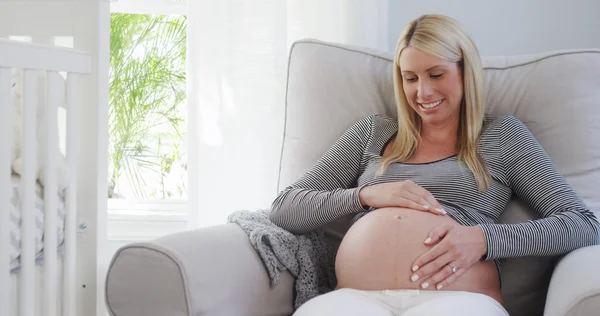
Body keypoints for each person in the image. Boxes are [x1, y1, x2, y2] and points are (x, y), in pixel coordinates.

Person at [268, 14, 600, 316]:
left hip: (456, 300)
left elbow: (584, 225)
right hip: (354, 299)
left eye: (436, 74)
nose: (422, 92)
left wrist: (484, 239)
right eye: (409, 78)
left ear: (464, 71)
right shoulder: (372, 133)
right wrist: (367, 195)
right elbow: (285, 209)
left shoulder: (502, 136)